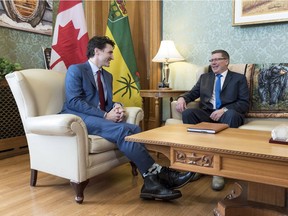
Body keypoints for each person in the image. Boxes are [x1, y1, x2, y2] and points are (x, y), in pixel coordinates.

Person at [60, 36, 195, 200]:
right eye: (110, 52)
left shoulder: (107, 76)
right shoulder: (76, 70)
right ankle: (159, 174)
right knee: (124, 130)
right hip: (78, 118)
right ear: (97, 51)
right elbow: (74, 101)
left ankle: (151, 182)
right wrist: (105, 115)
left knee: (135, 129)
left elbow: (107, 102)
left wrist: (116, 107)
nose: (112, 57)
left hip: (98, 118)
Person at [176, 50, 249, 191]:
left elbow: (244, 103)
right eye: (211, 60)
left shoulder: (238, 78)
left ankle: (218, 170)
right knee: (189, 113)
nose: (213, 63)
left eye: (217, 59)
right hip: (208, 113)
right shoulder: (205, 77)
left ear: (226, 61)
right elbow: (192, 93)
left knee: (232, 115)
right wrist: (182, 98)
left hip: (228, 114)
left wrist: (224, 110)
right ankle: (196, 164)